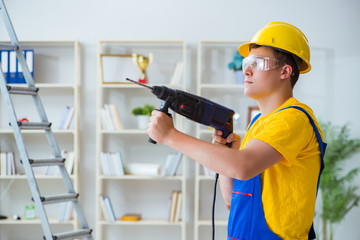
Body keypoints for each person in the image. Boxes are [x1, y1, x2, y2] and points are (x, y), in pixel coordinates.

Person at [147, 21, 326, 240]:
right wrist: (227, 159)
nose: (246, 70)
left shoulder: (293, 119)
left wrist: (170, 136)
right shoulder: (259, 122)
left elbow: (243, 166)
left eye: (258, 63)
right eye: (246, 63)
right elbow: (232, 198)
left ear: (285, 71)